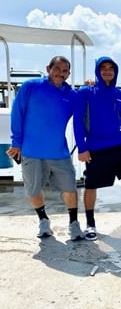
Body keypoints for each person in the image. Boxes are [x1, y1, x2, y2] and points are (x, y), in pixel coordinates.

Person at [6, 55, 84, 240]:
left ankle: (73, 224)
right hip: (31, 151)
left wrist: (89, 87)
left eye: (65, 71)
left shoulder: (72, 96)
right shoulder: (30, 87)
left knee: (70, 189)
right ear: (48, 68)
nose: (60, 74)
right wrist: (16, 142)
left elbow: (84, 118)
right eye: (56, 69)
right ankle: (43, 221)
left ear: (69, 74)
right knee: (33, 189)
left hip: (59, 152)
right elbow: (17, 114)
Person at [73, 56, 121, 241]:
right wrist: (82, 148)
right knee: (91, 185)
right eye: (103, 68)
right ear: (98, 71)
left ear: (115, 72)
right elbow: (78, 122)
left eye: (110, 68)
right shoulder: (86, 91)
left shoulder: (119, 94)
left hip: (119, 143)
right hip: (96, 147)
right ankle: (90, 223)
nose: (107, 71)